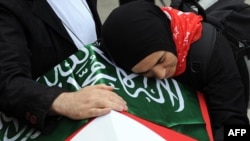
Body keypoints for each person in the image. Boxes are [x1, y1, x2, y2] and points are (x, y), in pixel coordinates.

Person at [101, 1, 249, 140]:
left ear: (167, 36)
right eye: (145, 73)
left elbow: (234, 123)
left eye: (161, 60)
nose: (160, 74)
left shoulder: (211, 52)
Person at [0, 0, 127, 132]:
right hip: (63, 126)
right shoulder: (8, 6)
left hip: (110, 105)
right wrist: (63, 100)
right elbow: (7, 81)